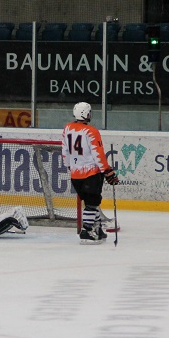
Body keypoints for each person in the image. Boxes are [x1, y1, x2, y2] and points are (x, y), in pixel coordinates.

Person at [61, 102, 119, 244]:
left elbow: (65, 151)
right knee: (92, 203)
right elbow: (98, 154)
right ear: (86, 114)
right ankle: (86, 231)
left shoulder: (67, 128)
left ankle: (97, 229)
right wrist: (107, 171)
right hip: (90, 173)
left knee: (91, 202)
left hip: (75, 174)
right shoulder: (91, 131)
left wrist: (69, 166)